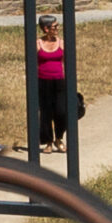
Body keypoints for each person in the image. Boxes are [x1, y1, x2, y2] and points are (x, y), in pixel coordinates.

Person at [35, 15, 69, 151]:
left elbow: (67, 62)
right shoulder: (38, 43)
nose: (57, 28)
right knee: (46, 113)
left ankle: (59, 138)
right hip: (43, 82)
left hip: (59, 81)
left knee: (61, 111)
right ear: (46, 28)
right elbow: (32, 62)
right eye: (54, 26)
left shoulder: (61, 42)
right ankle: (48, 142)